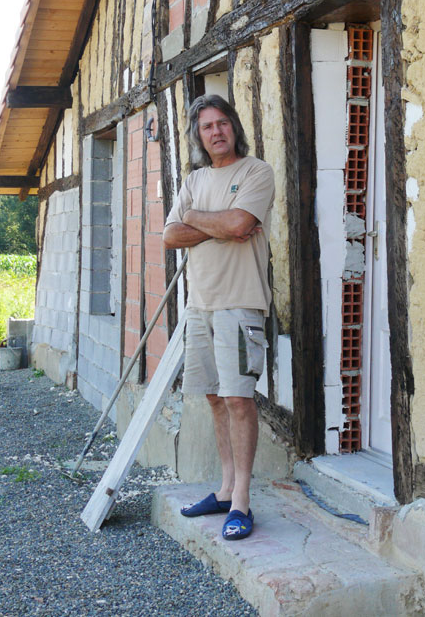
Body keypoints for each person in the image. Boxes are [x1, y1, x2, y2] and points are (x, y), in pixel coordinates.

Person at [163, 94, 274, 541]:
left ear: (234, 127)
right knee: (213, 397)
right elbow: (171, 236)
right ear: (199, 136)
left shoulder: (255, 172)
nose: (216, 131)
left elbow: (239, 225)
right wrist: (214, 222)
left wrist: (197, 220)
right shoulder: (194, 180)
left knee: (238, 399)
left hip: (240, 302)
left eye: (222, 123)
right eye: (207, 126)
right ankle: (225, 489)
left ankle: (243, 502)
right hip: (199, 305)